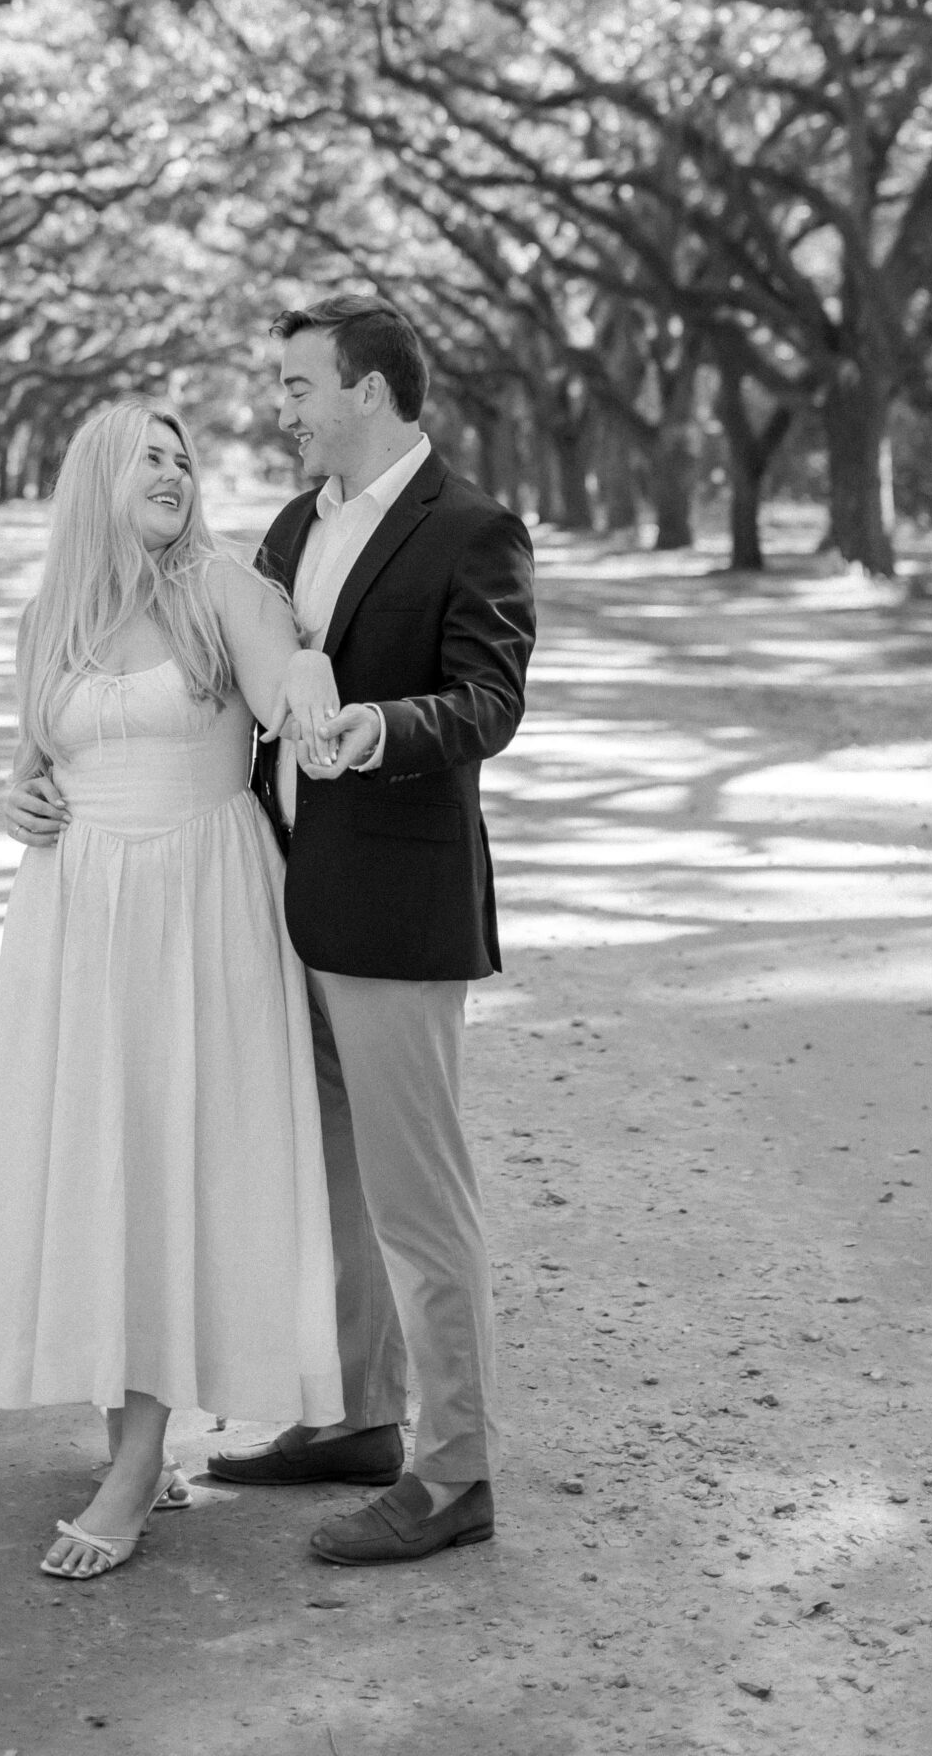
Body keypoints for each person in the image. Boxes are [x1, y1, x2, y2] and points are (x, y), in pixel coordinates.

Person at [0, 398, 344, 1582]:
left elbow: (291, 710)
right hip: (76, 922)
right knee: (104, 1169)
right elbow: (30, 770)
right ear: (96, 478)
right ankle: (136, 1447)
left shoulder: (221, 593)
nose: (172, 470)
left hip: (200, 912)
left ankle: (133, 1465)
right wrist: (12, 800)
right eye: (148, 456)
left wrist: (320, 687)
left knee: (172, 1168)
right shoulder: (48, 621)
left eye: (182, 458)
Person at [210, 296, 536, 1565]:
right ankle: (354, 1419)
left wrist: (385, 729)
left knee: (417, 1196)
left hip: (399, 908)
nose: (280, 406)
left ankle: (455, 1471)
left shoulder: (472, 529)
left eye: (297, 384)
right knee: (332, 1177)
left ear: (370, 390)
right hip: (295, 890)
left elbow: (487, 702)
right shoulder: (294, 525)